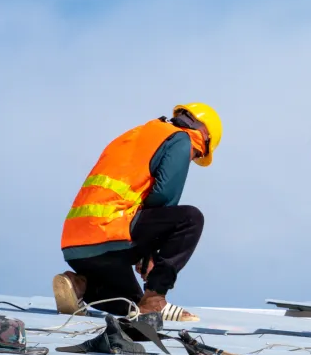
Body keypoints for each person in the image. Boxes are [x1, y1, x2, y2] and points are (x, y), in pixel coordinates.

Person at [53, 103, 223, 323]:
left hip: (76, 245)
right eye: (197, 154)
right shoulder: (181, 138)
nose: (192, 157)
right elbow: (165, 196)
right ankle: (156, 299)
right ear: (204, 135)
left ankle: (79, 285)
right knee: (190, 219)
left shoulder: (136, 135)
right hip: (112, 231)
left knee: (133, 306)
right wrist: (150, 253)